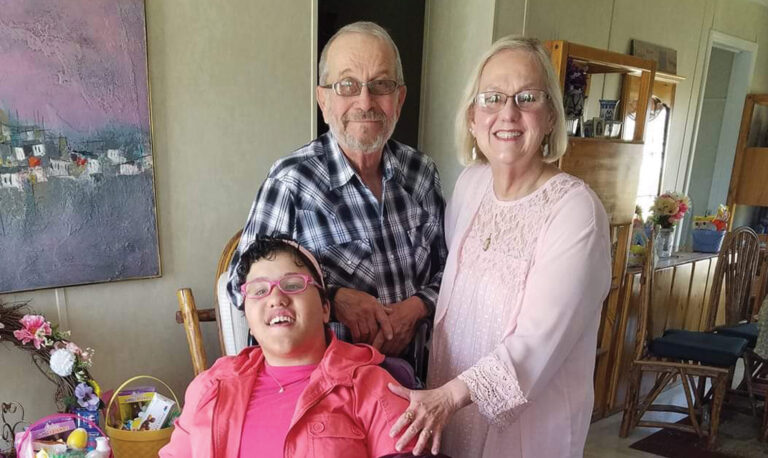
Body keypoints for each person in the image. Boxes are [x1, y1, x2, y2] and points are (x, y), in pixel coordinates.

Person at [387, 36, 612, 457]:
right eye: (491, 98)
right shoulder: (470, 185)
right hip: (452, 413)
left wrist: (450, 397)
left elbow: (537, 344)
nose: (507, 113)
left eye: (527, 97)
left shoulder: (576, 211)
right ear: (472, 118)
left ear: (549, 118)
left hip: (528, 429)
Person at [226, 21, 447, 369]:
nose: (365, 101)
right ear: (323, 99)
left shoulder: (421, 174)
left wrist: (417, 307)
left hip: (415, 389)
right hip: (326, 400)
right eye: (347, 85)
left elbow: (450, 270)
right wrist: (331, 296)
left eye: (381, 85)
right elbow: (240, 285)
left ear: (399, 98)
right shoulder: (292, 182)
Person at [161, 236, 421, 457]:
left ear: (324, 308)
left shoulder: (371, 386)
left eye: (293, 285)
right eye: (259, 290)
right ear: (249, 321)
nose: (276, 298)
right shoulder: (210, 387)